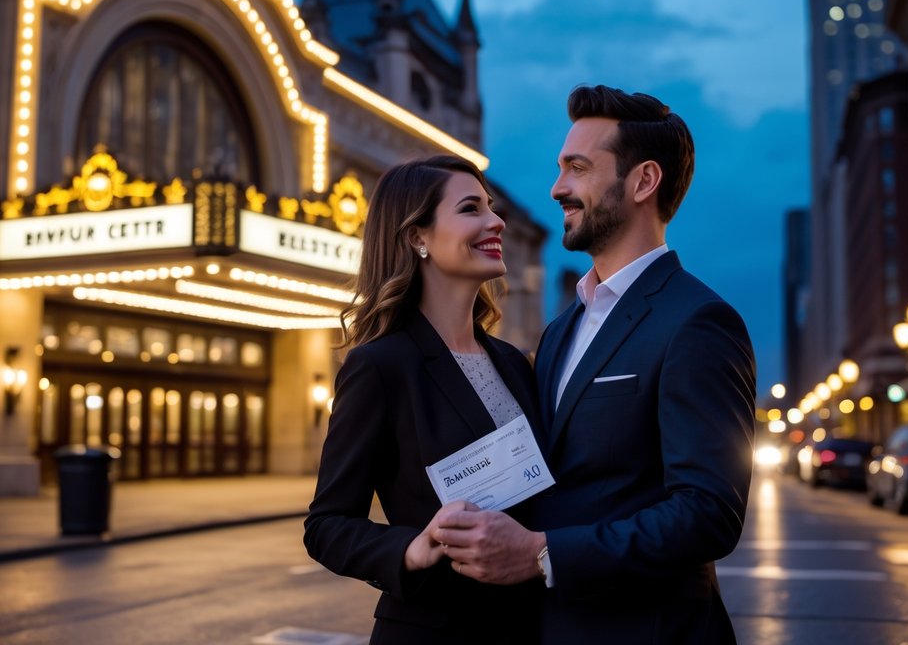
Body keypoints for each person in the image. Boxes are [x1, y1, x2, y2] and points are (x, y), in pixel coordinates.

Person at [433, 84, 757, 644]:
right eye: (561, 169)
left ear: (643, 181)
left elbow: (708, 513)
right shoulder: (561, 330)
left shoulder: (698, 322)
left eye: (578, 169)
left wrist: (542, 554)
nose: (558, 188)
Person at [303, 155, 545, 644]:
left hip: (530, 626)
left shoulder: (514, 363)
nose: (495, 221)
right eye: (471, 208)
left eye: (492, 207)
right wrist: (412, 548)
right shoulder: (380, 366)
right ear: (417, 237)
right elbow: (326, 525)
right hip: (436, 629)